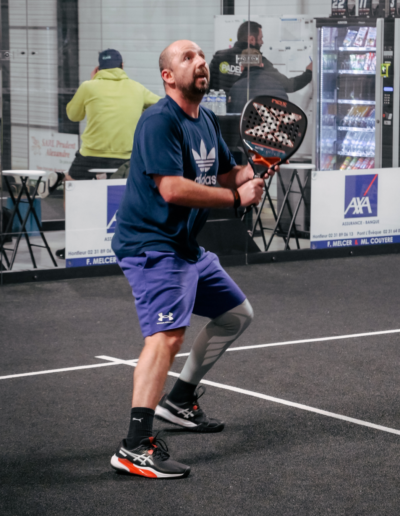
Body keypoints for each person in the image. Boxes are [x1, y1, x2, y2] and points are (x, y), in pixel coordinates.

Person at [109, 39, 277, 479]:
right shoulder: (159, 121)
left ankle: (180, 401)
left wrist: (253, 170)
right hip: (152, 245)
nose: (200, 62)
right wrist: (235, 197)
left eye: (201, 56)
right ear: (168, 76)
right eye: (188, 57)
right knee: (166, 336)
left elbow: (226, 172)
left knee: (236, 315)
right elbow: (172, 188)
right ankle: (135, 446)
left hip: (184, 246)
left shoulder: (204, 119)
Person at [56, 49, 160, 259]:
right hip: (126, 159)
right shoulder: (136, 88)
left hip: (91, 156)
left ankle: (76, 242)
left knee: (70, 185)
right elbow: (160, 105)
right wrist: (138, 110)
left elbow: (73, 115)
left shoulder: (88, 86)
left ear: (98, 69)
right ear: (122, 67)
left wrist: (93, 82)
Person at [209, 21, 312, 96]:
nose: (262, 42)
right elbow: (289, 86)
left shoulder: (219, 56)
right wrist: (309, 72)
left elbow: (206, 86)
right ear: (251, 39)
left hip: (220, 116)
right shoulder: (257, 60)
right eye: (260, 38)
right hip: (247, 116)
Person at [227, 48, 288, 113]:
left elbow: (232, 115)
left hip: (247, 119)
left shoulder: (237, 88)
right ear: (262, 65)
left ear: (241, 67)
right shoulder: (277, 86)